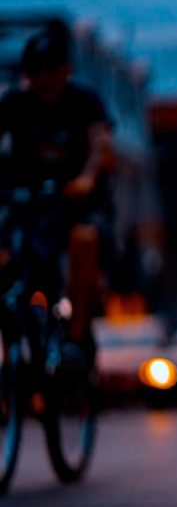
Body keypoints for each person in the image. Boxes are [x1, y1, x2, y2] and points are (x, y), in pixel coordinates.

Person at [0, 24, 116, 354]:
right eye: (36, 71)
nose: (45, 79)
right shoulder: (14, 104)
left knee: (84, 240)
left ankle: (76, 338)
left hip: (77, 204)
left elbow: (101, 144)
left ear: (66, 70)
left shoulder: (84, 103)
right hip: (28, 204)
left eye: (51, 70)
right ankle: (14, 340)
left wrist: (87, 179)